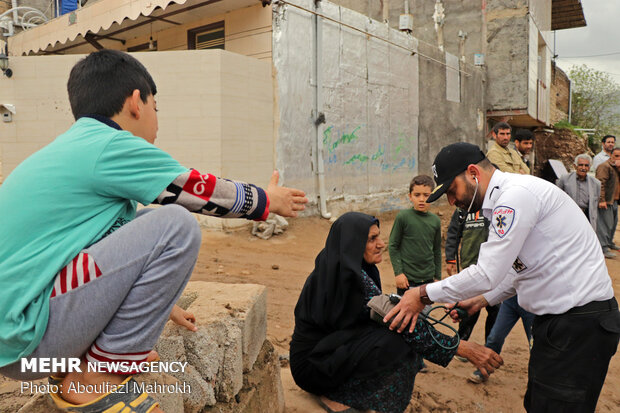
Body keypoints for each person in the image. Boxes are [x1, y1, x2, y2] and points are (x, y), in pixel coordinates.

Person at [0, 50, 308, 412]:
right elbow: (191, 189)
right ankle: (96, 378)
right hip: (29, 338)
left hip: (18, 340)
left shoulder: (72, 148)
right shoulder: (108, 145)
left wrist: (160, 304)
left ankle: (88, 363)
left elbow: (107, 248)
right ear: (136, 102)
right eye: (156, 107)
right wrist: (265, 201)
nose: (157, 120)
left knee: (143, 220)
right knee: (175, 224)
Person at [384, 142, 620, 412]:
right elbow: (520, 267)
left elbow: (486, 272)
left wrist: (422, 294)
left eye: (452, 191)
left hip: (578, 326)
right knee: (539, 404)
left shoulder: (514, 198)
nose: (452, 202)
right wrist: (481, 301)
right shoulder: (506, 199)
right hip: (564, 325)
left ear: (473, 173)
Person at [290, 212, 502, 413]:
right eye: (372, 239)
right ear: (353, 244)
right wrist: (462, 348)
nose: (381, 244)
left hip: (326, 355)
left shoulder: (340, 267)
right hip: (312, 367)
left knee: (400, 335)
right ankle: (337, 395)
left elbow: (386, 310)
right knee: (399, 342)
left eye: (379, 237)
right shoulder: (349, 279)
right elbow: (401, 320)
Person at [444, 209, 500, 367]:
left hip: (491, 269)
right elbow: (453, 234)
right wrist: (450, 258)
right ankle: (461, 343)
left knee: (495, 309)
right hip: (470, 267)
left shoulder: (494, 208)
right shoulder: (462, 210)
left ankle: (490, 347)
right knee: (469, 309)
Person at [389, 175, 442, 296]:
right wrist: (398, 274)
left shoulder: (435, 221)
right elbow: (393, 246)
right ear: (410, 196)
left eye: (426, 195)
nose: (421, 199)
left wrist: (437, 277)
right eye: (417, 195)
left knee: (425, 313)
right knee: (406, 313)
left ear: (432, 196)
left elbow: (436, 250)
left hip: (428, 280)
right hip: (407, 280)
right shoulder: (403, 217)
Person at [556, 153, 600, 232]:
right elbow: (557, 198)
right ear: (575, 166)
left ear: (589, 167)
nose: (583, 168)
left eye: (586, 165)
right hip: (569, 215)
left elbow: (595, 205)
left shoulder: (596, 183)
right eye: (581, 165)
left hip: (587, 216)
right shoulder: (564, 179)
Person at [595, 147, 620, 258]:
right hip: (606, 201)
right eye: (616, 156)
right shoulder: (604, 166)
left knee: (613, 224)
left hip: (614, 200)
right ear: (611, 155)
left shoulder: (617, 168)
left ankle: (609, 243)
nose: (618, 158)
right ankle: (603, 247)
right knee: (605, 225)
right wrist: (602, 200)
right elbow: (600, 184)